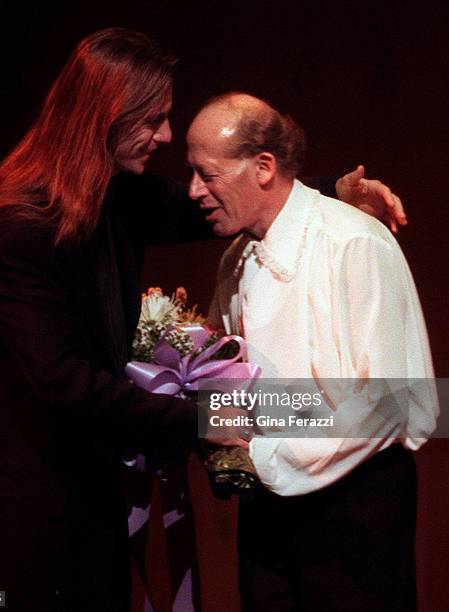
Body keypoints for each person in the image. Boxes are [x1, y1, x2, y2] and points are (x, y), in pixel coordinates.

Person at [0, 27, 406, 611]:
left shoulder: (115, 197)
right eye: (153, 119)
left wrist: (331, 192)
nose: (164, 136)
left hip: (94, 502)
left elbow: (226, 197)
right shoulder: (18, 230)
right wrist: (201, 419)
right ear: (102, 118)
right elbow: (64, 384)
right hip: (22, 523)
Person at [187, 92, 438, 611]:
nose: (194, 191)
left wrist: (257, 450)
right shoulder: (236, 259)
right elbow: (230, 379)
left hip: (351, 505)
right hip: (269, 503)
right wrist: (212, 417)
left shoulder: (353, 243)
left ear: (263, 167)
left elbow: (385, 402)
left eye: (206, 174)